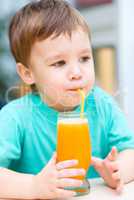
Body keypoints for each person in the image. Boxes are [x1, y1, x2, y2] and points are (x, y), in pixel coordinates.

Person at [0, 0, 134, 199]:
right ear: (28, 73)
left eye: (84, 58)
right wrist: (34, 186)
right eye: (59, 62)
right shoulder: (16, 117)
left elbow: (129, 151)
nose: (77, 72)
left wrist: (117, 171)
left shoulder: (102, 105)